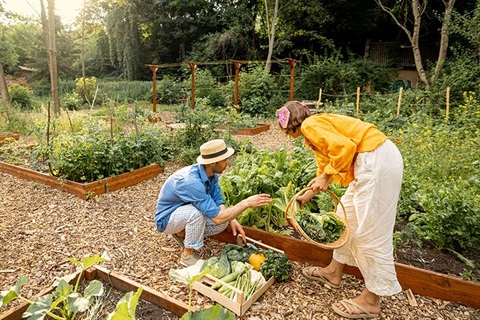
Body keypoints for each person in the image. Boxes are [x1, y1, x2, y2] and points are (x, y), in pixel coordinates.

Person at [276, 101, 403, 319]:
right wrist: (308, 194)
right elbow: (325, 166)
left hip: (374, 159)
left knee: (370, 231)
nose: (285, 133)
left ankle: (372, 300)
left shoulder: (310, 125)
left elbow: (345, 148)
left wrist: (326, 177)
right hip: (369, 160)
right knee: (346, 218)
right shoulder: (313, 132)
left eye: (284, 127)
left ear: (291, 123)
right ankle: (333, 272)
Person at [154, 139, 272, 267]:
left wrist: (232, 219)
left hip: (183, 211)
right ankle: (187, 256)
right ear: (213, 162)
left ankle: (182, 233)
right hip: (167, 218)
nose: (228, 162)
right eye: (225, 159)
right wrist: (245, 203)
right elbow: (216, 218)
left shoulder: (211, 174)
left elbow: (217, 201)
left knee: (223, 223)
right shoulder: (191, 182)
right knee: (197, 214)